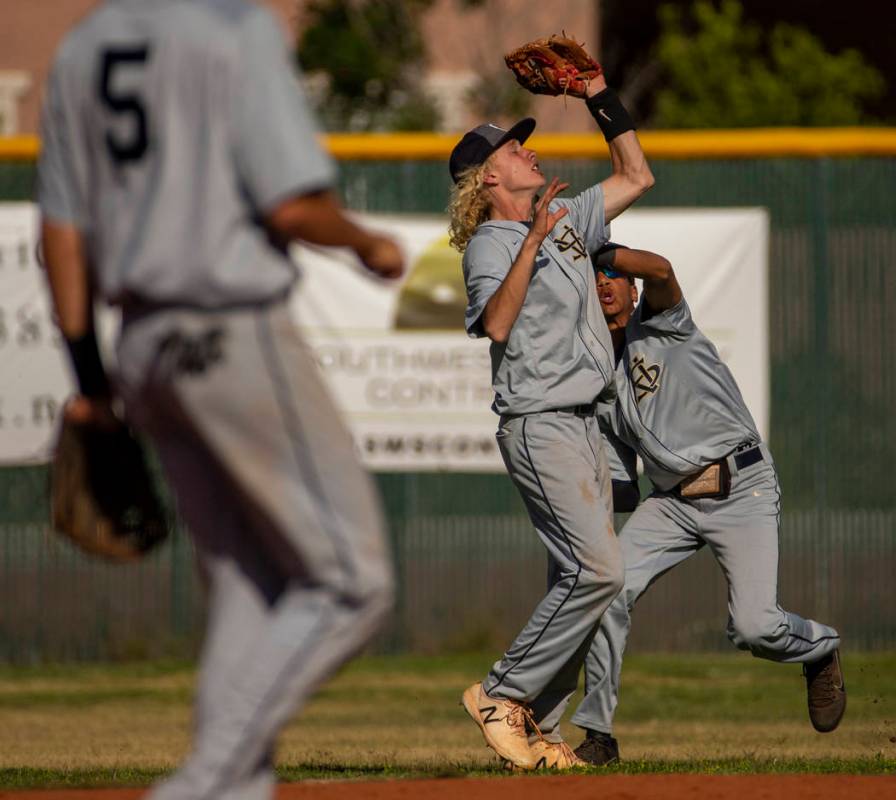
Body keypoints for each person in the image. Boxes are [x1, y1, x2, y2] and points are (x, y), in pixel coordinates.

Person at [37, 2, 404, 799]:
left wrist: (92, 388)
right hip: (228, 328)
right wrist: (368, 242)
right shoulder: (232, 30)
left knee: (248, 582)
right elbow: (290, 206)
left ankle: (230, 790)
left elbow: (60, 236)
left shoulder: (79, 53)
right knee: (351, 580)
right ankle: (199, 785)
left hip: (140, 347)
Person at [447, 71, 654, 770]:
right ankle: (503, 694)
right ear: (488, 180)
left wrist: (597, 91)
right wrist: (532, 240)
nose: (527, 150)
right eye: (512, 148)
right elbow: (497, 324)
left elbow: (637, 173)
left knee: (598, 582)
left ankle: (531, 718)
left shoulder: (568, 219)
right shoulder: (492, 244)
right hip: (540, 423)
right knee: (596, 570)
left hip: (587, 426)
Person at [570, 244, 846, 765]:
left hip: (741, 485)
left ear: (631, 289)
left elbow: (663, 271)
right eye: (594, 279)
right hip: (671, 502)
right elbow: (620, 485)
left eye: (612, 277)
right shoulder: (598, 381)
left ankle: (822, 647)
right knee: (609, 589)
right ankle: (598, 734)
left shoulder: (663, 325)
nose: (604, 283)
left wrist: (601, 250)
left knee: (754, 628)